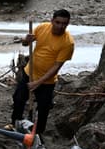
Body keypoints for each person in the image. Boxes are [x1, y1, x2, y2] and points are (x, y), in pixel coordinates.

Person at [10, 9, 75, 141]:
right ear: (52, 21)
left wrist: (38, 83)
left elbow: (56, 67)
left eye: (64, 24)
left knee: (43, 108)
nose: (60, 26)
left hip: (47, 81)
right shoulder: (42, 28)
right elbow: (25, 43)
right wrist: (26, 40)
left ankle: (37, 134)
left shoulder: (68, 42)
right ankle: (15, 124)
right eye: (58, 22)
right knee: (18, 99)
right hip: (29, 72)